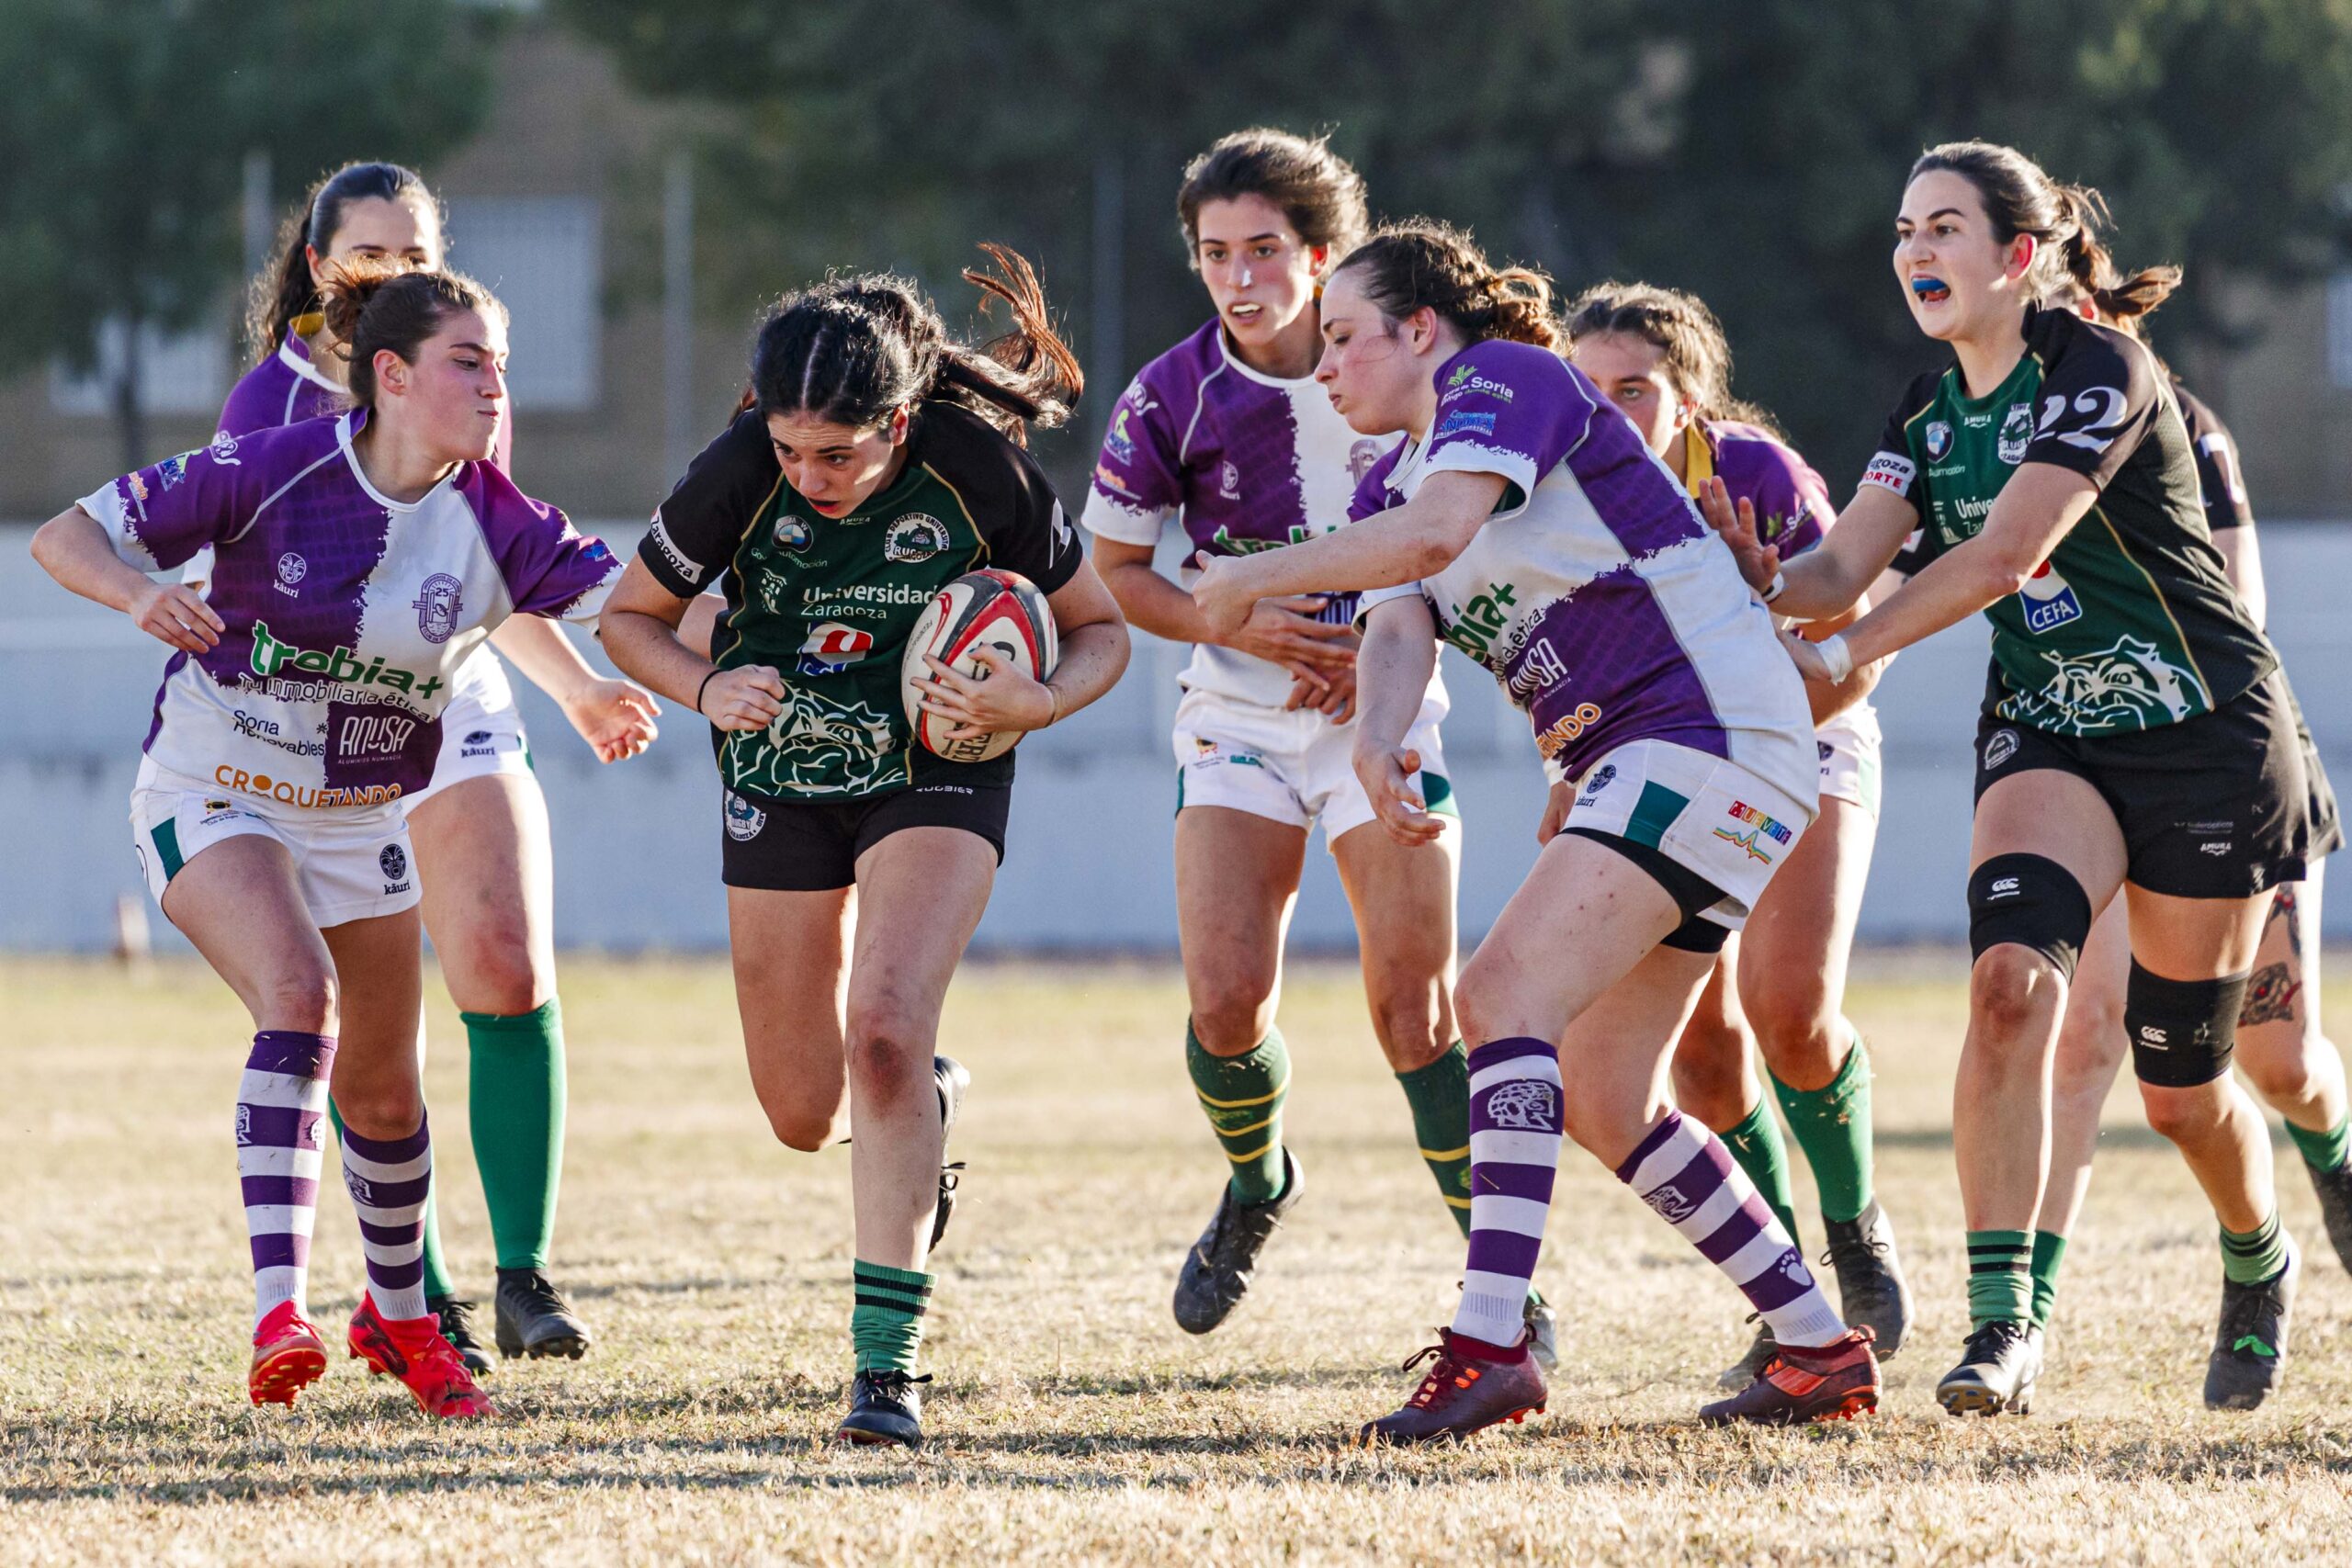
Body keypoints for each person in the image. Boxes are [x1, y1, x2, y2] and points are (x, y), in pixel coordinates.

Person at [1194, 220, 1881, 1442]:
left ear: (1422, 330)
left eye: (1346, 336)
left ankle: (1490, 1341)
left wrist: (1252, 573)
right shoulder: (1386, 475)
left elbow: (1432, 540)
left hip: (1705, 735)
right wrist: (1375, 735)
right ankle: (1818, 1345)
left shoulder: (1505, 379)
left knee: (1498, 996)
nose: (1328, 364)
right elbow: (1399, 613)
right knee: (1608, 1094)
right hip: (1668, 753)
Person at [1701, 141, 2310, 1416]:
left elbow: (2003, 551)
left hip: (2205, 736)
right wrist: (1760, 574)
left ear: (2019, 256)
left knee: (2181, 1088)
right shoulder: (1924, 414)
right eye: (1905, 230)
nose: (1915, 250)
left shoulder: (2101, 370)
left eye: (1945, 228)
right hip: (2052, 731)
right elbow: (1837, 566)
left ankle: (2259, 1252)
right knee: (2006, 990)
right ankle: (2003, 1325)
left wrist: (1846, 650)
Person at [28, 261, 626, 1419]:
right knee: (299, 995)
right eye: (471, 362)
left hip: (362, 812)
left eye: (502, 364)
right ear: (391, 376)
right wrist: (139, 597)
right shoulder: (270, 464)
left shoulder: (498, 520)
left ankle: (401, 1321)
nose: (498, 387)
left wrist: (706, 651)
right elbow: (64, 537)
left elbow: (642, 601)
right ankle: (277, 1308)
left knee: (389, 1096)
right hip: (213, 785)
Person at [599, 247, 1131, 1449]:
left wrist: (1031, 704)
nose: (807, 474)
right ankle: (921, 1114)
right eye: (790, 450)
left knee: (886, 1025)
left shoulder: (976, 469)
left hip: (941, 760)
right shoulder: (739, 470)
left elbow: (1102, 632)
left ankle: (884, 1376)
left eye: (836, 453)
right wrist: (704, 684)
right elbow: (625, 619)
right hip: (782, 774)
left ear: (897, 422)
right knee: (801, 1107)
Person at [1083, 129, 1549, 1351]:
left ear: (1322, 252)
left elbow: (1461, 543)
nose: (1241, 277)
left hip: (1389, 717)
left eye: (1266, 250)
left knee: (1417, 1014)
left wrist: (1393, 662)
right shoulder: (1170, 393)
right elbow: (1118, 569)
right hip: (1234, 717)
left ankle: (1505, 1298)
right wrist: (1226, 618)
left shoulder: (1414, 376)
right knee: (1228, 1001)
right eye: (1215, 253)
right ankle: (1258, 1182)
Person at [218, 160, 662, 1371]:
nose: (398, 279)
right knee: (370, 1045)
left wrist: (574, 685)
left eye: (417, 256)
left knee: (507, 962)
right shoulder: (270, 406)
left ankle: (522, 1274)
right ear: (319, 271)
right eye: (371, 257)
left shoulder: (467, 375)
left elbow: (493, 553)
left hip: (450, 686)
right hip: (315, 730)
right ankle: (417, 1290)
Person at [1567, 283, 1911, 1385]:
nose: (1609, 415)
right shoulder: (1554, 493)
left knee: (1790, 1010)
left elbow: (1865, 635)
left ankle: (1855, 1231)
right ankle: (1788, 1298)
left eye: (1635, 391)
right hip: (1661, 755)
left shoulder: (1751, 472)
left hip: (1809, 734)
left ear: (1690, 398)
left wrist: (1778, 706)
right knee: (1705, 1054)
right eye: (1587, 391)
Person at [2028, 264, 2351, 1353]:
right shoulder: (1981, 430)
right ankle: (2016, 1321)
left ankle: (2335, 1152)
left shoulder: (2181, 420)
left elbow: (2236, 613)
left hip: (2219, 763)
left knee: (2277, 1067)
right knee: (2081, 1040)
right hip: (2102, 764)